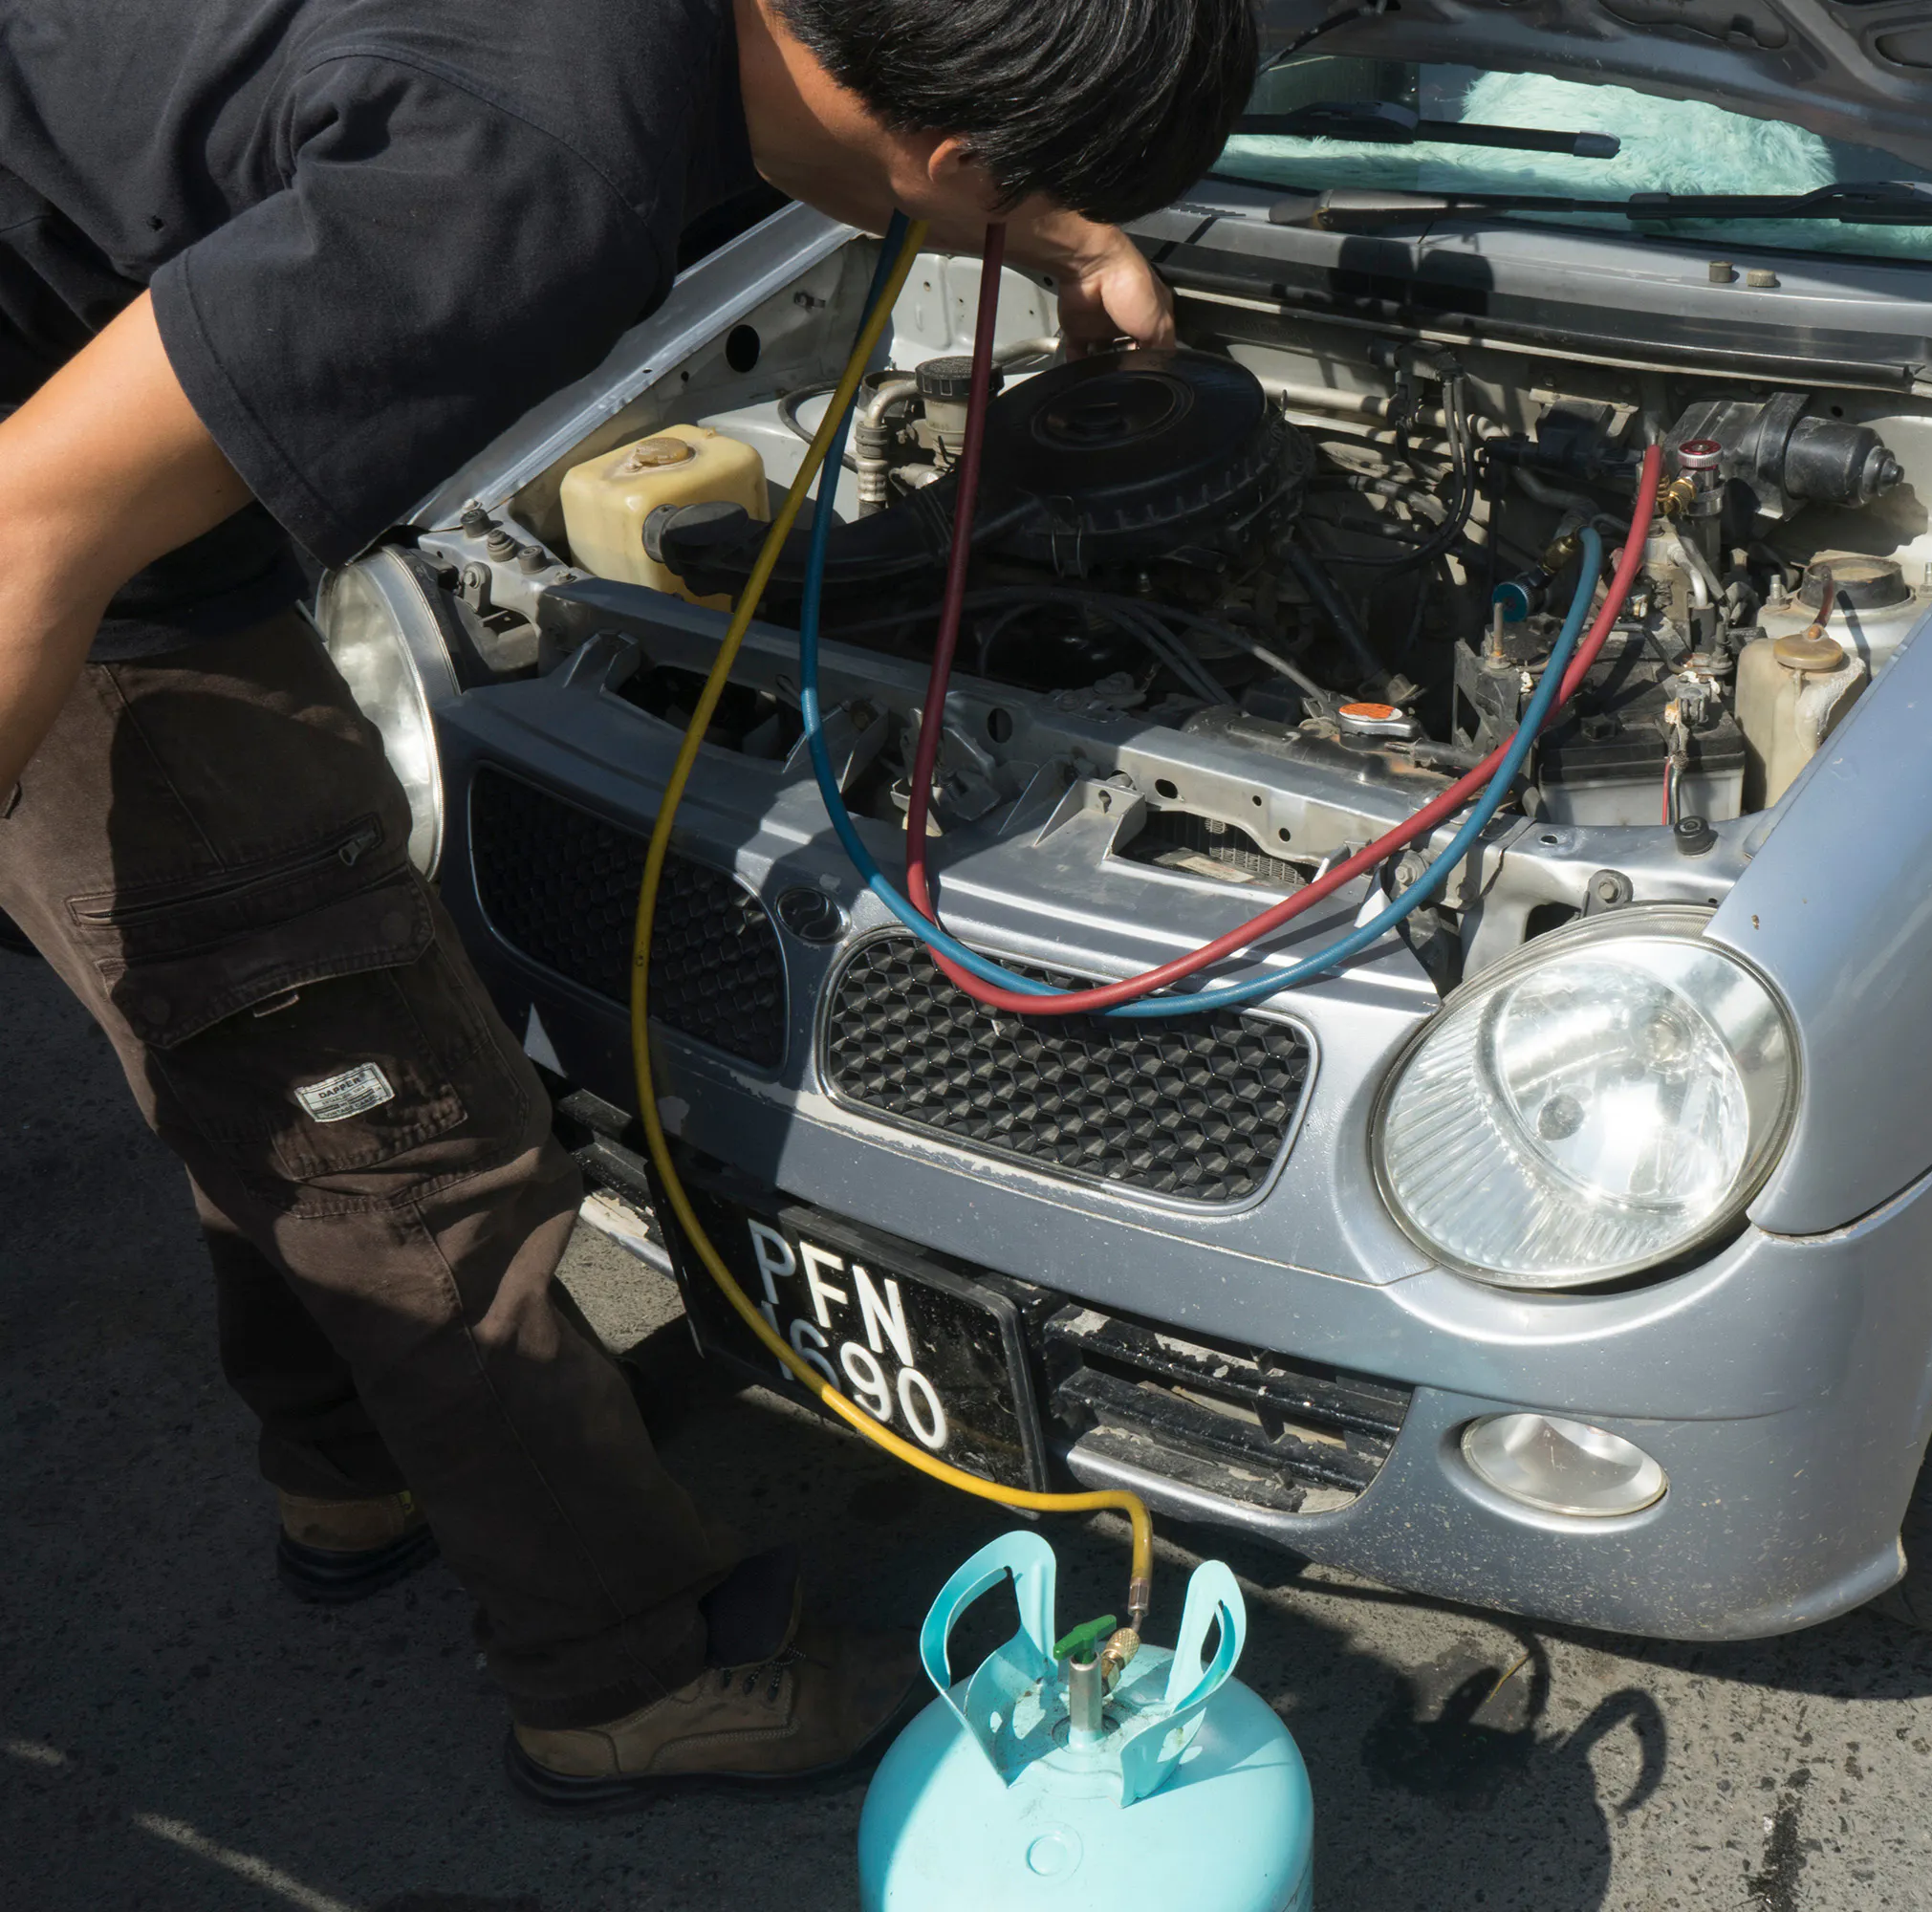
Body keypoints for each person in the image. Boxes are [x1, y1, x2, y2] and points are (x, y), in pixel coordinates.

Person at [0, 0, 1255, 1807]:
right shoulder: (530, 177)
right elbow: (35, 528)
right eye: (987, 201)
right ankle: (623, 1672)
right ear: (953, 156)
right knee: (401, 1123)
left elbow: (840, 112)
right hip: (46, 500)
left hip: (104, 396)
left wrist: (1034, 212)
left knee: (245, 1011)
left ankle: (354, 1468)